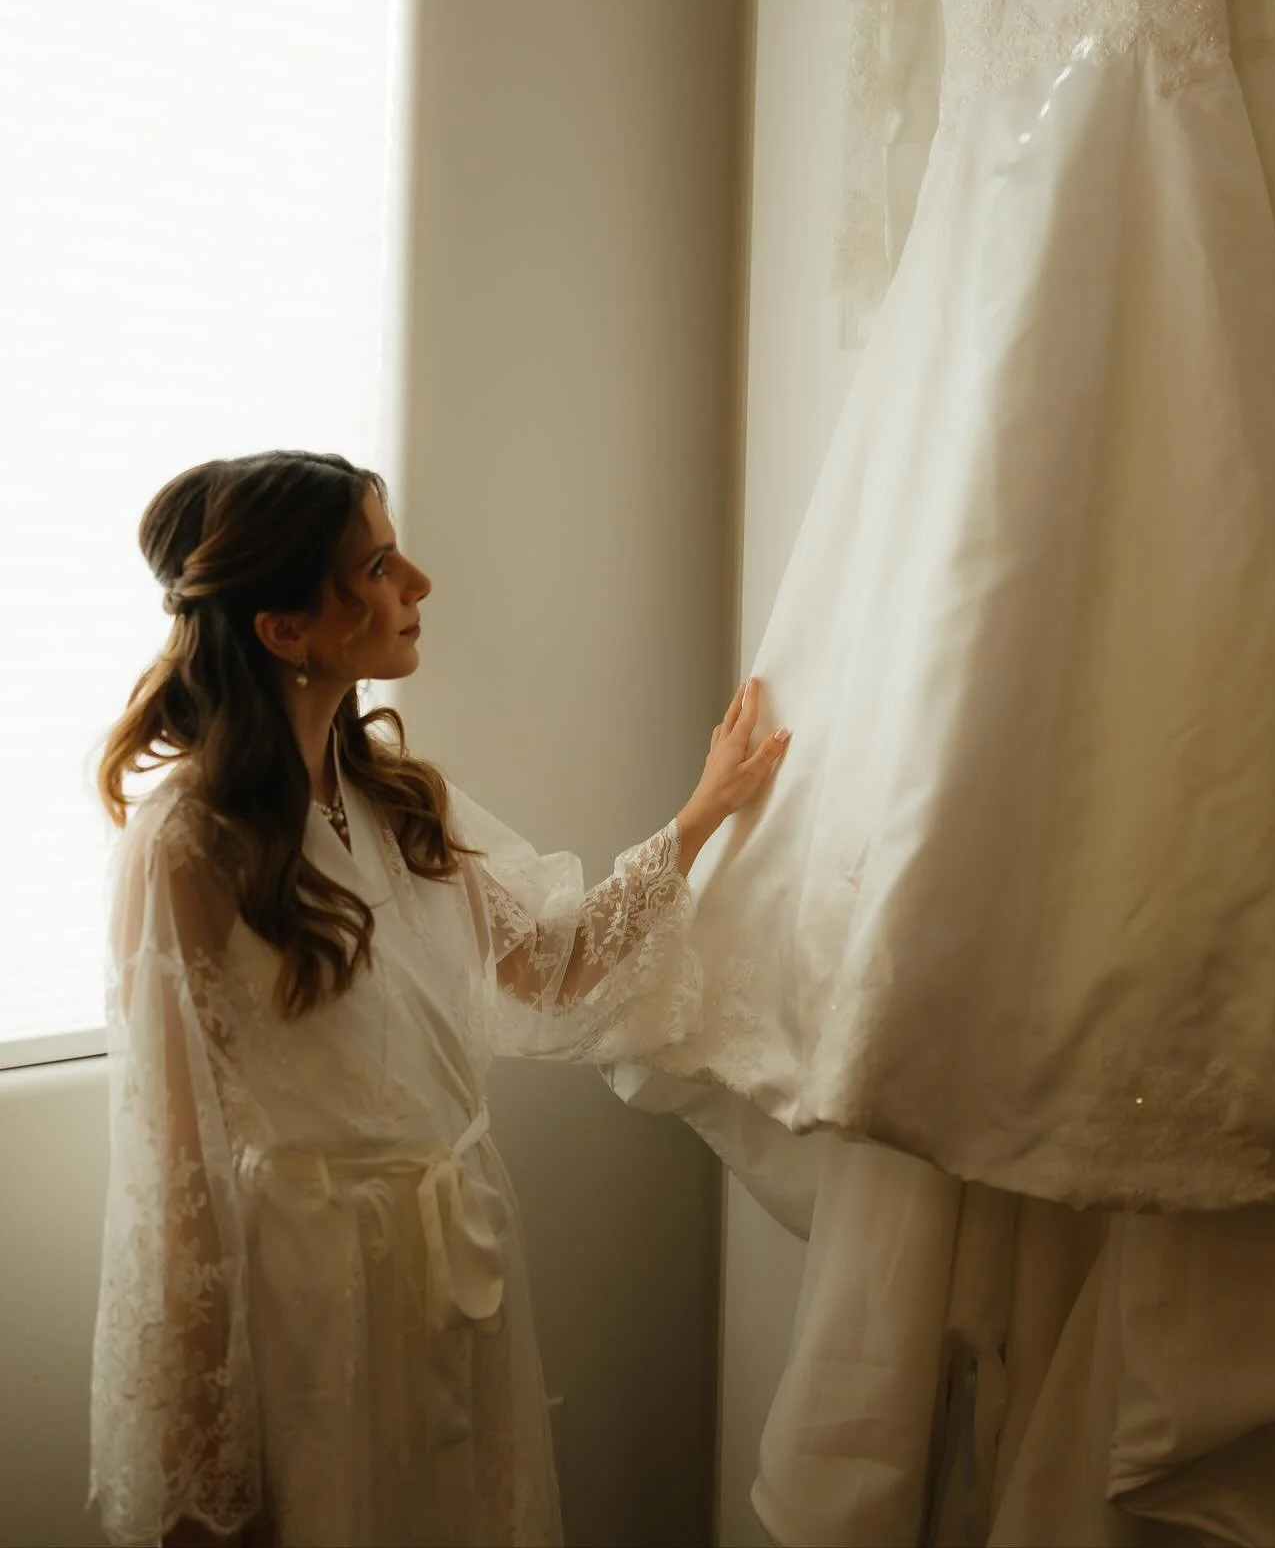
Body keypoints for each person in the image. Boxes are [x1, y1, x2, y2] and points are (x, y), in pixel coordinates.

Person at [88, 449, 789, 1548]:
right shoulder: (186, 844)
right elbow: (177, 1185)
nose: (418, 581)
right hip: (312, 1304)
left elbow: (554, 967)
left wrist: (698, 818)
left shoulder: (398, 800)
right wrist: (205, 1472)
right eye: (378, 564)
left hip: (454, 1262)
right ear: (286, 628)